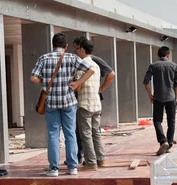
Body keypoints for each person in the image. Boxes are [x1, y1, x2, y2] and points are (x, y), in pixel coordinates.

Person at [30, 33, 95, 177]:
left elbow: (33, 77)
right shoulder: (72, 58)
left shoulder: (44, 58)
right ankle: (72, 167)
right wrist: (77, 83)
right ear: (66, 46)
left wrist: (44, 82)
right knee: (70, 133)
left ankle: (54, 169)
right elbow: (91, 70)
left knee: (53, 135)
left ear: (52, 45)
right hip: (68, 101)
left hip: (51, 103)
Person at [72, 36, 115, 163]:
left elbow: (78, 87)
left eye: (77, 48)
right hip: (96, 103)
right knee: (95, 132)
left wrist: (73, 84)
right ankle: (100, 158)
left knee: (85, 134)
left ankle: (90, 161)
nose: (76, 51)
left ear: (83, 49)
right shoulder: (96, 65)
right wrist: (100, 89)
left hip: (85, 104)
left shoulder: (82, 66)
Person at [143, 46, 177, 155]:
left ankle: (163, 141)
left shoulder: (153, 66)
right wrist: (176, 98)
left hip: (158, 97)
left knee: (157, 121)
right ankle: (169, 145)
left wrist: (150, 94)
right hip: (171, 97)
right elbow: (176, 83)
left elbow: (145, 82)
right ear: (168, 55)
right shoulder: (174, 66)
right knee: (171, 122)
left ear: (158, 55)